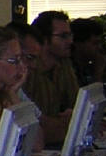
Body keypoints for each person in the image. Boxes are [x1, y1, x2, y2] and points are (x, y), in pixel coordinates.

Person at [26, 10, 79, 145]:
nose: (70, 41)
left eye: (70, 35)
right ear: (44, 39)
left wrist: (73, 115)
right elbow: (34, 123)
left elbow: (76, 105)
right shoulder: (28, 71)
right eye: (63, 36)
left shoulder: (64, 64)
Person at [70, 17, 106, 86]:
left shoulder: (86, 68)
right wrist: (98, 72)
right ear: (78, 43)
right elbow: (92, 92)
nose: (99, 47)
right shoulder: (69, 71)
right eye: (95, 43)